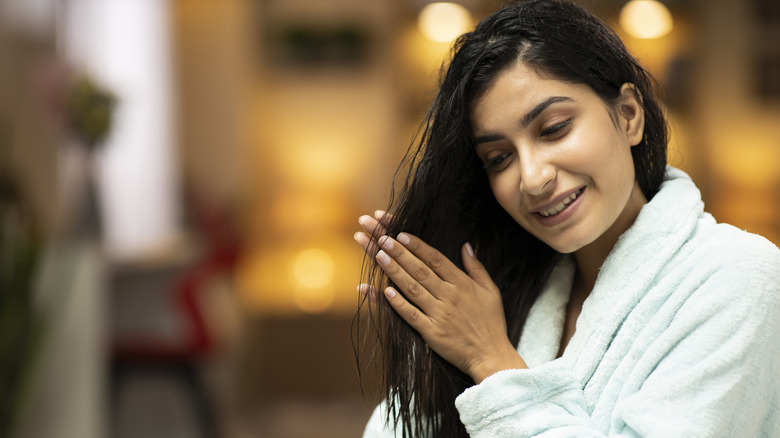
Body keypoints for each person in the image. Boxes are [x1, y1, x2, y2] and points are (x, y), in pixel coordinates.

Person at [352, 0, 780, 436]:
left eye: (554, 128)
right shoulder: (499, 290)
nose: (533, 179)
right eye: (499, 158)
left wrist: (490, 358)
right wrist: (428, 355)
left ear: (629, 115)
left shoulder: (741, 276)